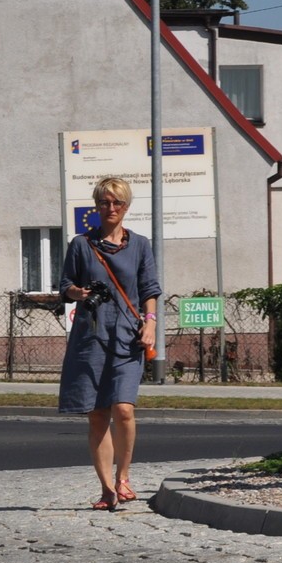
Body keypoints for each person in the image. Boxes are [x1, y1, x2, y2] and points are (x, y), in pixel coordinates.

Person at [57, 175, 160, 511]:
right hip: (91, 336)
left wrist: (151, 324)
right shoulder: (81, 244)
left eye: (117, 202)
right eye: (104, 202)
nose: (110, 208)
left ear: (126, 206)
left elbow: (149, 289)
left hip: (128, 336)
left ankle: (123, 477)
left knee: (124, 410)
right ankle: (107, 490)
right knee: (98, 414)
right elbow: (65, 285)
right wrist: (77, 292)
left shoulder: (140, 244)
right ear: (97, 206)